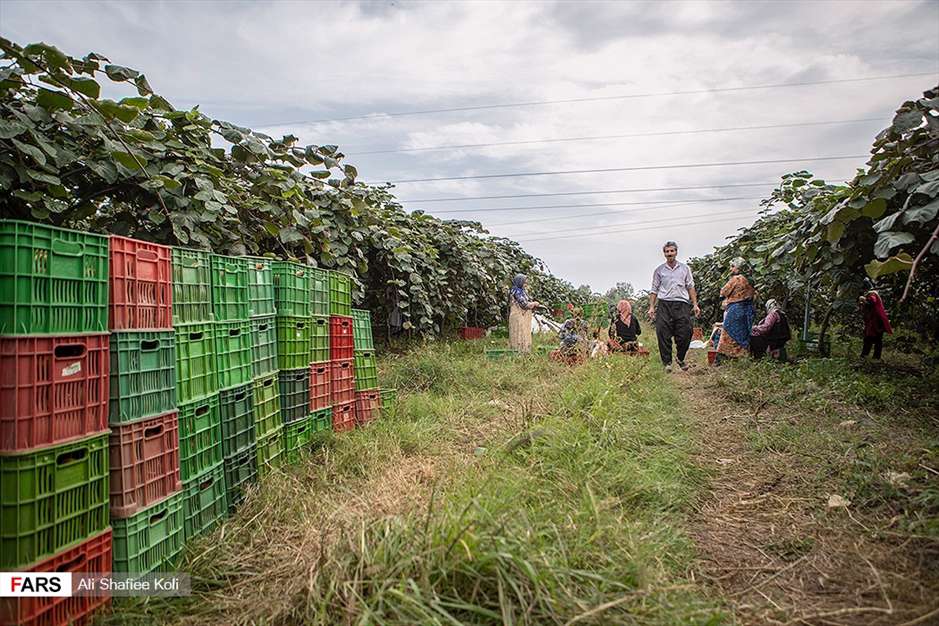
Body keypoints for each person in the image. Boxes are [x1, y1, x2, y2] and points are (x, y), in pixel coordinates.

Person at [647, 241, 700, 372]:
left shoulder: (684, 269)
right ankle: (667, 363)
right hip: (664, 304)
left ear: (676, 252)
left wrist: (695, 304)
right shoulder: (659, 270)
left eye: (672, 251)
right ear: (664, 253)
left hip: (681, 304)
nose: (669, 254)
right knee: (662, 332)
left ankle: (680, 357)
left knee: (686, 332)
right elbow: (654, 289)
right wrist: (652, 307)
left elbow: (690, 287)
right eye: (667, 251)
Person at [715, 257, 756, 362]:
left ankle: (723, 358)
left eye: (733, 266)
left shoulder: (736, 279)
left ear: (739, 268)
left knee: (728, 333)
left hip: (735, 310)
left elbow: (723, 292)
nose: (731, 269)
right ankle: (742, 357)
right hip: (747, 310)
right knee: (742, 333)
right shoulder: (751, 280)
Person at [508, 274, 540, 353]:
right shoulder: (516, 291)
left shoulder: (522, 291)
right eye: (524, 283)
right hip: (518, 315)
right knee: (519, 333)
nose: (525, 285)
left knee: (524, 333)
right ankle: (519, 353)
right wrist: (534, 304)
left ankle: (524, 352)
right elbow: (524, 305)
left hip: (523, 316)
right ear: (519, 282)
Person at [859, 282, 892, 360]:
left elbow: (872, 302)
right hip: (874, 321)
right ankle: (870, 356)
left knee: (872, 339)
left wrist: (864, 300)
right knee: (872, 339)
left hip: (877, 321)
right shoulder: (871, 295)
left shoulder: (872, 294)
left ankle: (867, 356)